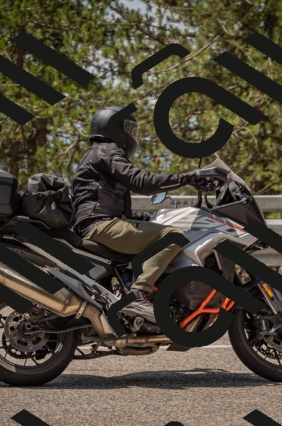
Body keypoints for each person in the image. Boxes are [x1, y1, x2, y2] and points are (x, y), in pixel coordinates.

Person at [71, 107, 199, 324]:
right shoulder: (108, 150)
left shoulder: (95, 153)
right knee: (173, 236)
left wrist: (149, 217)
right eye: (129, 129)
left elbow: (113, 206)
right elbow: (142, 182)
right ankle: (138, 294)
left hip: (95, 223)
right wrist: (186, 178)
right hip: (101, 225)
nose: (133, 135)